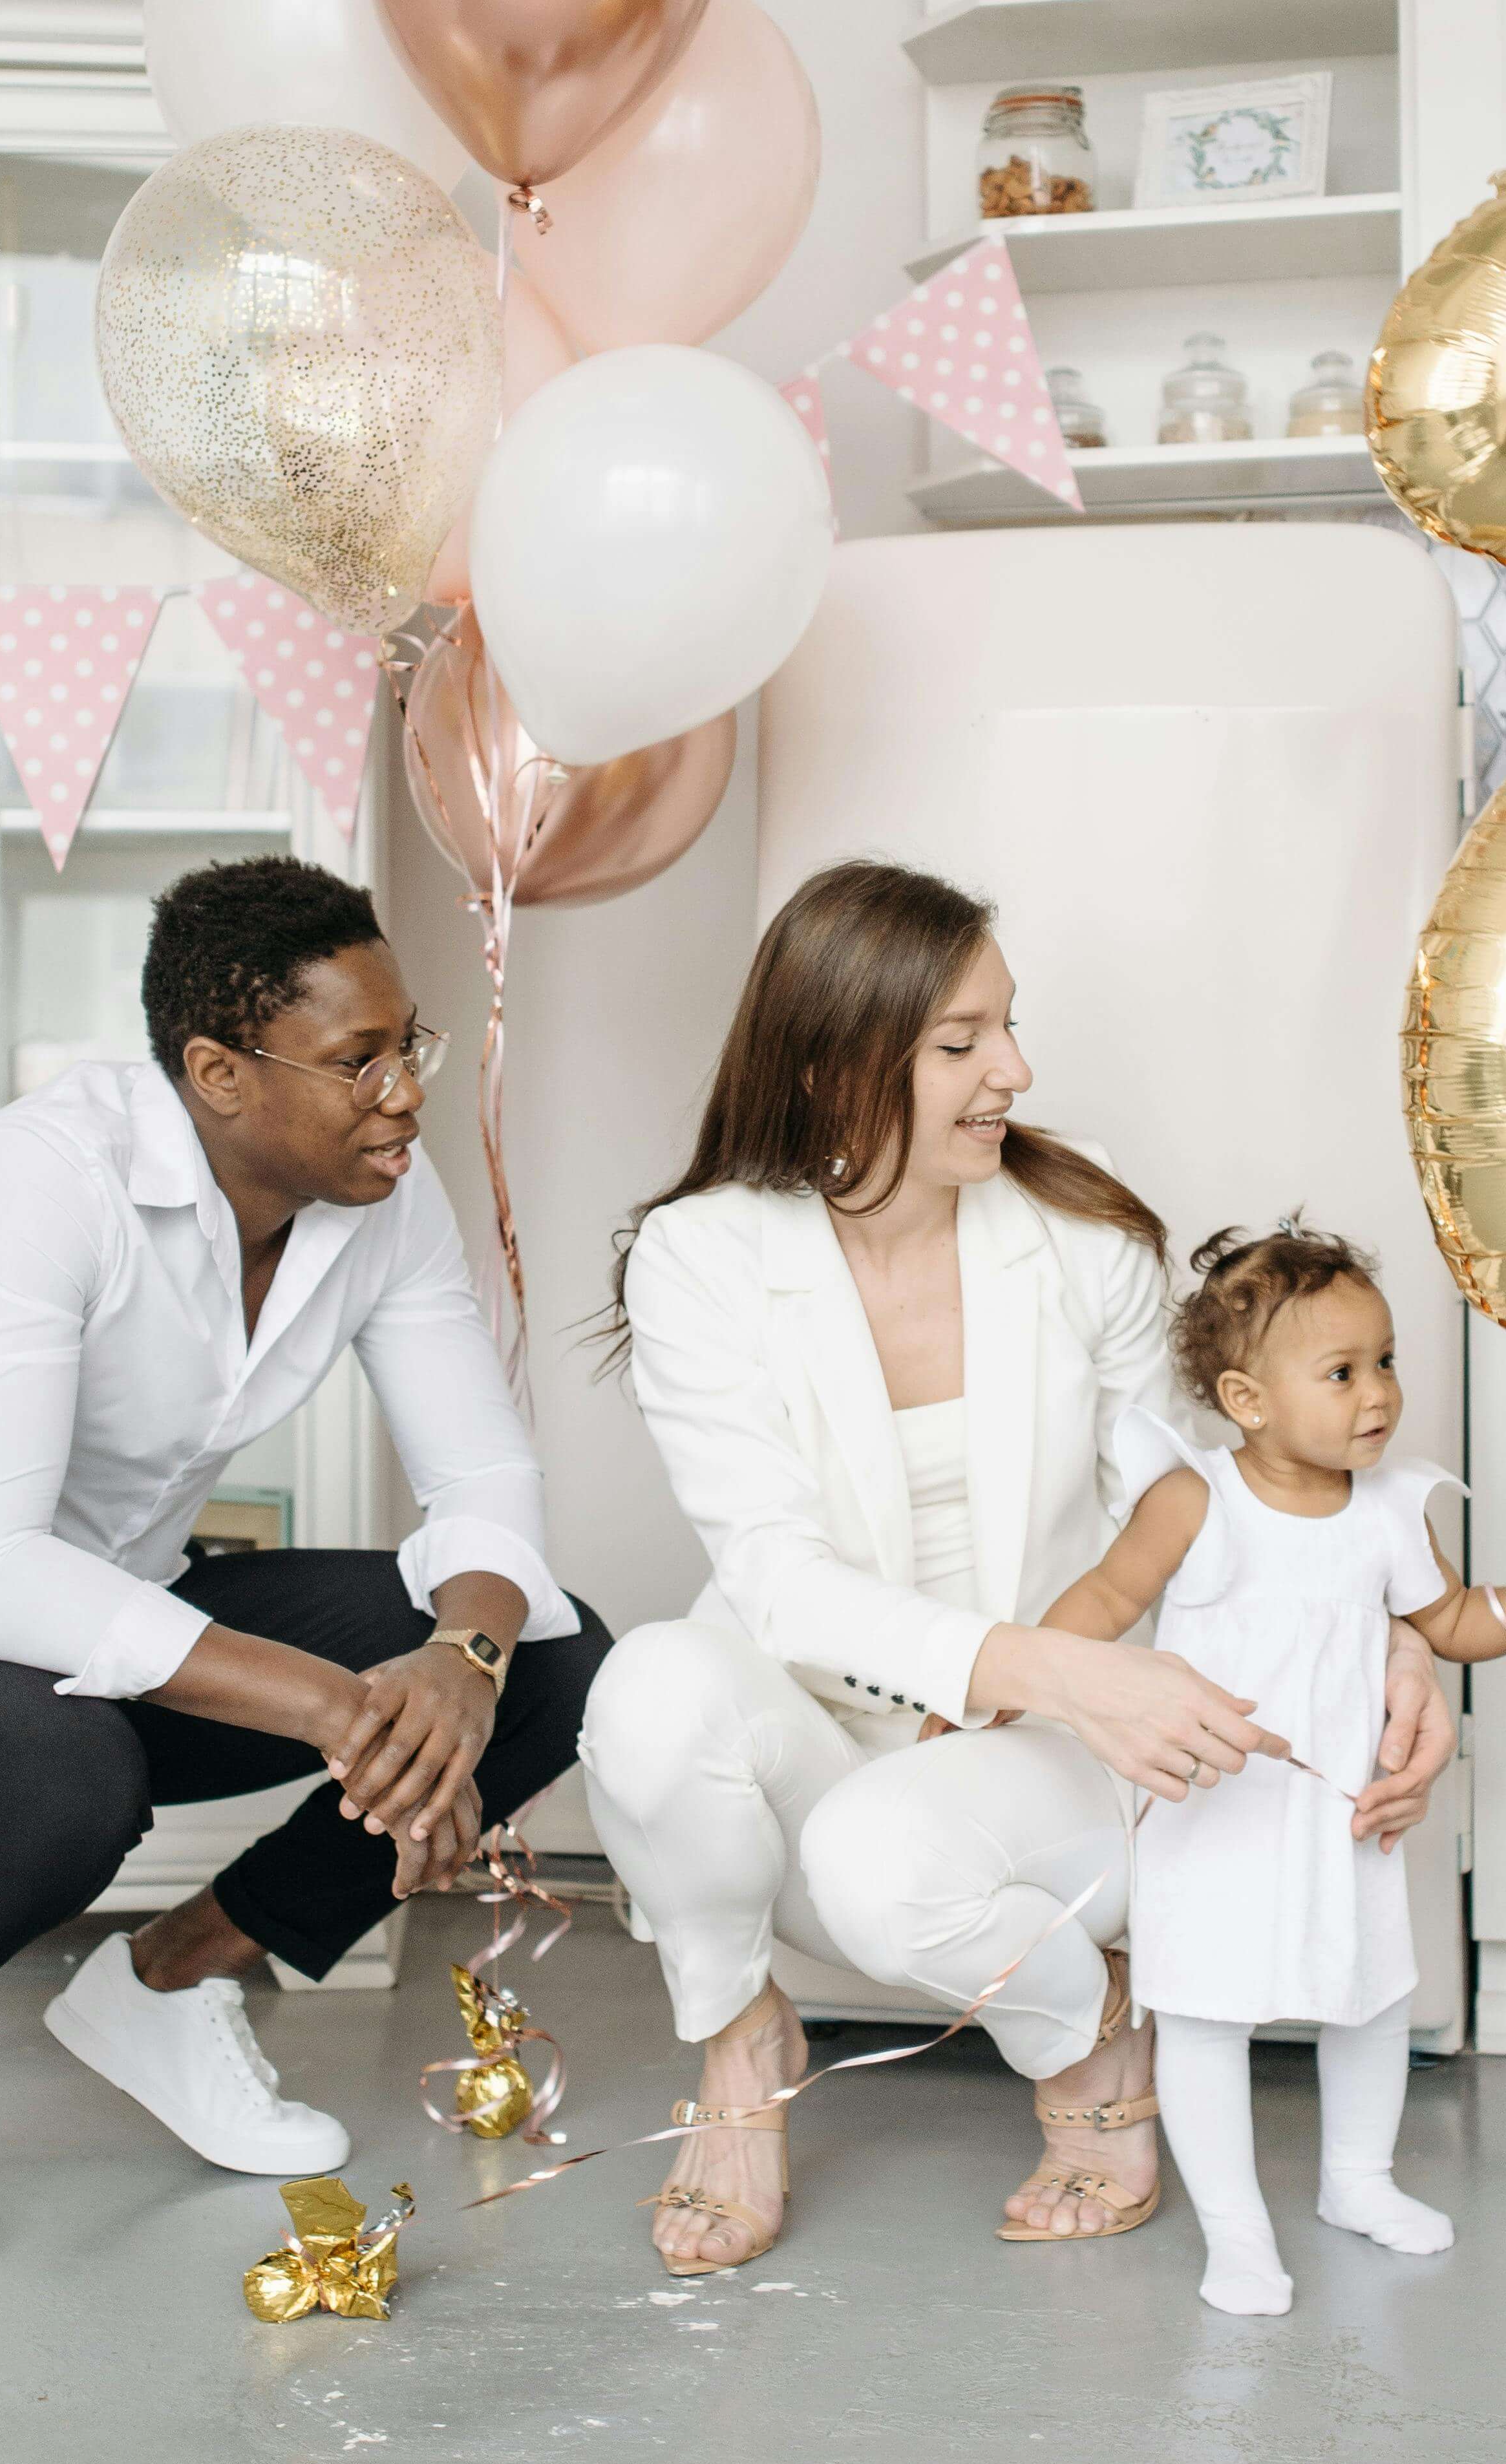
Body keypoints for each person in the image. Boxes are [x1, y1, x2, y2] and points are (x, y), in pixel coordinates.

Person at [0, 856, 608, 2283]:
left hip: (110, 1622)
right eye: (358, 1062)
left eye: (409, 1046)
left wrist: (462, 1663)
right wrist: (337, 1704)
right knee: (61, 1771)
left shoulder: (388, 1192)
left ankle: (170, 1977)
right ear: (219, 1071)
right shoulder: (42, 1177)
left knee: (554, 1656)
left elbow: (484, 1478)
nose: (405, 1095)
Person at [577, 860, 1458, 2279]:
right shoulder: (700, 1257)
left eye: (1009, 1027)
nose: (1016, 1070)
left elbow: (1220, 1498)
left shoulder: (1080, 1245)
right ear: (829, 1064)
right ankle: (743, 2044)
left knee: (881, 1862)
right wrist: (1033, 1661)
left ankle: (1091, 2034)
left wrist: (1405, 1638)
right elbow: (777, 1576)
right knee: (648, 1691)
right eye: (962, 1042)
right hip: (849, 1720)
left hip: (1051, 1757)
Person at [1041, 1218, 1506, 2316]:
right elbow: (1102, 1605)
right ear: (1247, 1399)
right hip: (1213, 1804)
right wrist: (998, 1686)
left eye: (1385, 1362)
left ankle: (1356, 2183)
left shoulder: (1389, 1509)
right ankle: (1235, 2233)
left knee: (1367, 2001)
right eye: (1340, 1372)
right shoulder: (1194, 1500)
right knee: (1208, 2016)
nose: (1377, 1394)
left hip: (1339, 1811)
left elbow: (1454, 1620)